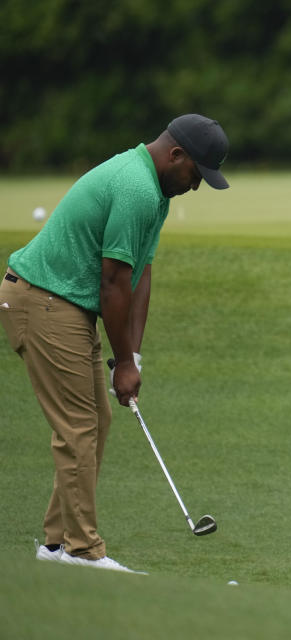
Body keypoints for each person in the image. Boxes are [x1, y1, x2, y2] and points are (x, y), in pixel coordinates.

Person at [0, 114, 230, 573]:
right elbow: (112, 282)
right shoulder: (137, 188)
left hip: (63, 303)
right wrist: (121, 362)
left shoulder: (155, 193)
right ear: (176, 155)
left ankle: (55, 545)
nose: (196, 186)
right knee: (78, 427)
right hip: (44, 299)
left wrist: (133, 357)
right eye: (196, 175)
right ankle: (82, 550)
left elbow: (140, 273)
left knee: (93, 421)